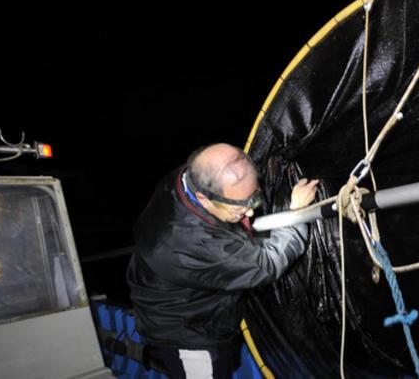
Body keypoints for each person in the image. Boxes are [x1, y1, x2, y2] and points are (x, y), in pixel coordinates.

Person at [126, 143, 318, 379]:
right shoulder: (191, 243)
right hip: (188, 332)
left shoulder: (189, 176)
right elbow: (267, 263)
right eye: (240, 206)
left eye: (253, 199)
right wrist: (296, 212)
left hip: (179, 291)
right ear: (203, 199)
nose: (250, 213)